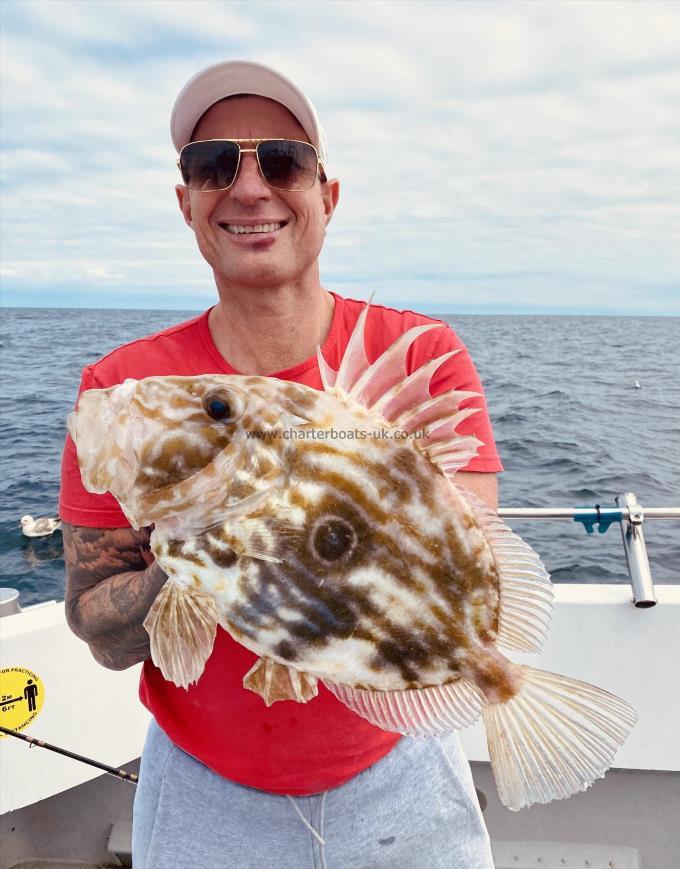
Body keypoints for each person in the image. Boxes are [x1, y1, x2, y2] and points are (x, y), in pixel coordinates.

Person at [60, 60, 503, 868]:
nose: (250, 188)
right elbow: (101, 631)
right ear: (187, 203)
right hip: (205, 793)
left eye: (284, 161)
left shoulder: (417, 361)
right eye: (212, 166)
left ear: (327, 196)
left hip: (404, 769)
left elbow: (464, 560)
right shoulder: (125, 392)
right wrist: (192, 557)